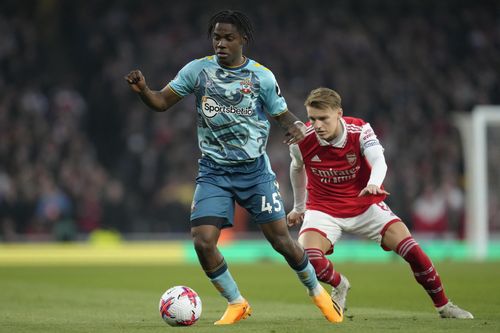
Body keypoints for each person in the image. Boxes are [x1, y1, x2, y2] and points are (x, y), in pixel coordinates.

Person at [125, 10, 343, 325]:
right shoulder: (197, 71)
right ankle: (236, 301)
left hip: (255, 172)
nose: (221, 44)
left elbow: (282, 114)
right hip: (214, 172)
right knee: (202, 240)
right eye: (216, 37)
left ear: (243, 39)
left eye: (228, 37)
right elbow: (161, 102)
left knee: (282, 242)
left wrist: (296, 124)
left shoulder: (261, 77)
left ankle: (317, 293)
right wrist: (145, 91)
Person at [286, 87, 473, 319]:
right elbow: (296, 167)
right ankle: (340, 284)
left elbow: (379, 160)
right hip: (323, 210)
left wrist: (374, 182)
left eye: (323, 118)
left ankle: (444, 306)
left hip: (365, 205)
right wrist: (299, 207)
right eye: (312, 118)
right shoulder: (302, 139)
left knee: (413, 251)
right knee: (308, 258)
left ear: (339, 113)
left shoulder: (360, 129)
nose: (317, 125)